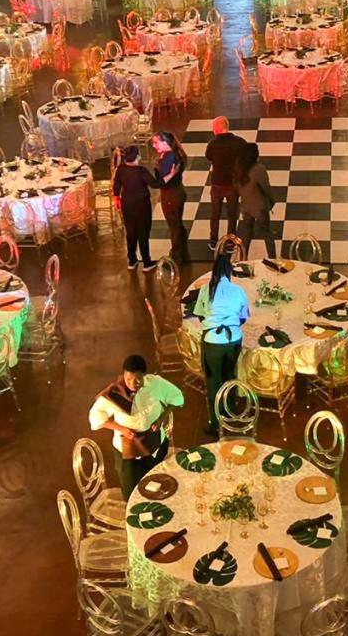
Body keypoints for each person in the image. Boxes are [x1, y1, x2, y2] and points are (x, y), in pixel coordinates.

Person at [88, 354, 184, 498]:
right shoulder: (115, 393)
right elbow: (95, 416)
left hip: (153, 443)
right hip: (127, 450)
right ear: (123, 375)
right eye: (128, 379)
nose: (133, 384)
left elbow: (177, 397)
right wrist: (120, 428)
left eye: (138, 379)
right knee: (131, 492)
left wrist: (162, 417)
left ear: (144, 375)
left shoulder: (156, 384)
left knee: (157, 486)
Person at [193, 252, 249, 436]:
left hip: (212, 342)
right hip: (234, 340)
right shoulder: (238, 290)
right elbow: (243, 318)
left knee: (213, 381)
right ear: (230, 271)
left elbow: (200, 315)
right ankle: (230, 409)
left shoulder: (206, 290)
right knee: (230, 375)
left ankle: (215, 422)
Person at [111, 145, 159, 271]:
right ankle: (146, 262)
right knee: (143, 232)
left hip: (127, 204)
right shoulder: (141, 171)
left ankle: (132, 261)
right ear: (137, 156)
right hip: (142, 205)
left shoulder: (121, 169)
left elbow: (116, 185)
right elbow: (154, 184)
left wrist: (116, 198)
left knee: (131, 232)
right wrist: (158, 171)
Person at [205, 117, 247, 250]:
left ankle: (213, 241)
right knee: (232, 214)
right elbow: (245, 157)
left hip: (217, 184)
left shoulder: (213, 144)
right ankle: (230, 242)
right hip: (233, 184)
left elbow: (208, 157)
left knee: (215, 214)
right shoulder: (239, 142)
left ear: (217, 129)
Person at [153, 131, 190, 263]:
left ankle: (176, 256)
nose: (153, 145)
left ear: (166, 142)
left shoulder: (168, 158)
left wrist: (158, 166)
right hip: (178, 192)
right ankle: (183, 251)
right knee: (177, 223)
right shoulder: (175, 154)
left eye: (156, 142)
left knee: (174, 226)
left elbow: (161, 182)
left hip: (170, 197)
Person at [236, 142, 277, 259]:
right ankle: (272, 259)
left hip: (245, 207)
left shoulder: (239, 168)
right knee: (267, 233)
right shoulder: (259, 169)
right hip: (259, 207)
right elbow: (266, 187)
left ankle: (243, 259)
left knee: (247, 234)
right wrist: (272, 200)